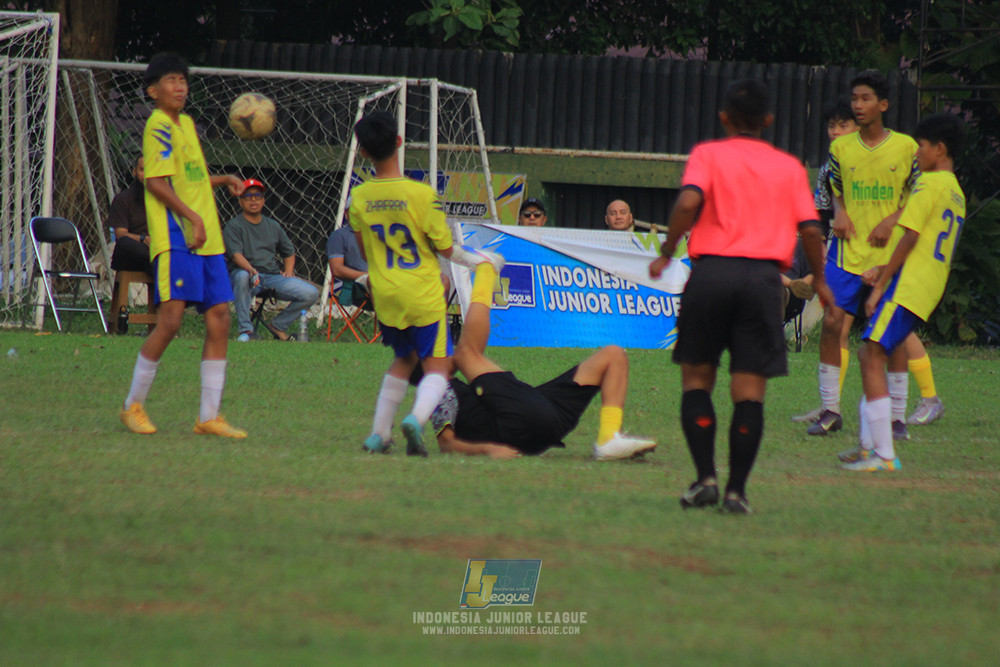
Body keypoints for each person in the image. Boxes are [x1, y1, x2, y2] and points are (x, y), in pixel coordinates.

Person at [648, 79, 830, 514]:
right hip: (763, 282)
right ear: (768, 121)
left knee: (697, 381)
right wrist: (820, 277)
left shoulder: (708, 155)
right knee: (749, 393)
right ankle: (737, 492)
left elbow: (689, 202)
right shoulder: (789, 166)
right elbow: (809, 229)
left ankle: (705, 478)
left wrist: (669, 250)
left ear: (725, 118)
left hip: (710, 275)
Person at [349, 110, 501, 457]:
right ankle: (416, 419)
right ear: (399, 143)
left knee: (403, 360)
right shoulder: (421, 194)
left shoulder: (358, 198)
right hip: (422, 292)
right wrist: (482, 260)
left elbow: (365, 252)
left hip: (386, 294)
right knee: (437, 367)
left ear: (363, 152)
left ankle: (378, 434)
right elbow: (447, 249)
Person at [119, 53, 247, 438]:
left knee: (220, 318)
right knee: (171, 321)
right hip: (177, 238)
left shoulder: (187, 124)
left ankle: (209, 416)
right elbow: (156, 183)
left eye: (183, 81)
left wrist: (223, 179)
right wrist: (192, 218)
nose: (179, 87)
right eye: (171, 81)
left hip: (205, 239)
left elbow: (190, 180)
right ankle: (132, 406)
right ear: (152, 90)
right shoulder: (157, 126)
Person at [807, 72, 936, 438]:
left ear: (883, 104)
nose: (858, 106)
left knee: (887, 334)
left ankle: (896, 417)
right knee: (832, 324)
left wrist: (893, 219)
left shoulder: (906, 148)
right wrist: (841, 210)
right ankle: (830, 409)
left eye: (865, 99)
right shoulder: (840, 149)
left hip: (888, 254)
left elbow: (918, 195)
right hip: (847, 254)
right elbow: (833, 185)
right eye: (855, 99)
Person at [427, 262, 656, 460]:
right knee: (466, 353)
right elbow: (447, 444)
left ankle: (608, 440)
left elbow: (442, 288)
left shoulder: (453, 384)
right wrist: (487, 449)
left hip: (541, 420)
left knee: (613, 355)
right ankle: (486, 270)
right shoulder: (435, 387)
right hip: (516, 425)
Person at [840, 113, 965, 471]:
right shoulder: (955, 191)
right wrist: (883, 269)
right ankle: (869, 447)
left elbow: (909, 235)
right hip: (925, 284)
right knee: (873, 354)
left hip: (907, 287)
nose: (917, 154)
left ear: (939, 149)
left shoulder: (929, 184)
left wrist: (881, 285)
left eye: (921, 147)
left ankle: (881, 453)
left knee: (870, 355)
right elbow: (922, 242)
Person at [224, 178, 320, 342]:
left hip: (271, 276)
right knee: (242, 276)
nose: (253, 200)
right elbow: (235, 255)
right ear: (240, 201)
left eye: (257, 195)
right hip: (245, 274)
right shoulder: (234, 225)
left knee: (310, 293)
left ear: (263, 200)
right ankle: (246, 331)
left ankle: (278, 324)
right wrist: (251, 270)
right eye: (248, 196)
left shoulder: (273, 225)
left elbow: (289, 251)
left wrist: (288, 272)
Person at [108, 154, 153, 275]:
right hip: (133, 253)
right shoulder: (123, 199)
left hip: (158, 251)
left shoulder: (165, 200)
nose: (147, 175)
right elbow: (120, 234)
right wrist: (143, 239)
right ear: (134, 172)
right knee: (124, 243)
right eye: (143, 170)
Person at [326, 219, 369, 307]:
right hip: (359, 287)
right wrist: (368, 276)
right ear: (346, 214)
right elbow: (337, 270)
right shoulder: (339, 236)